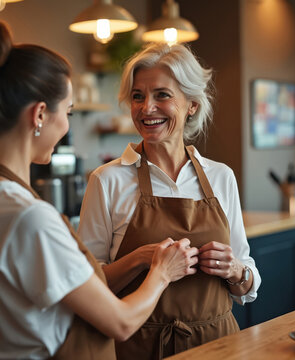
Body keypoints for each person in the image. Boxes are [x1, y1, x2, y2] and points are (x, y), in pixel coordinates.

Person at [0, 17, 199, 360]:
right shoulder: (30, 218)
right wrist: (162, 272)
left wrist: (140, 258)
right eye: (67, 112)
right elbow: (122, 323)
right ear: (39, 115)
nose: (65, 125)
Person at [78, 43, 262, 360]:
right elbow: (87, 285)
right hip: (138, 348)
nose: (147, 108)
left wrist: (234, 270)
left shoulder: (220, 177)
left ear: (191, 104)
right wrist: (139, 258)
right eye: (138, 96)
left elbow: (248, 282)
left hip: (219, 347)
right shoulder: (106, 181)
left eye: (162, 95)